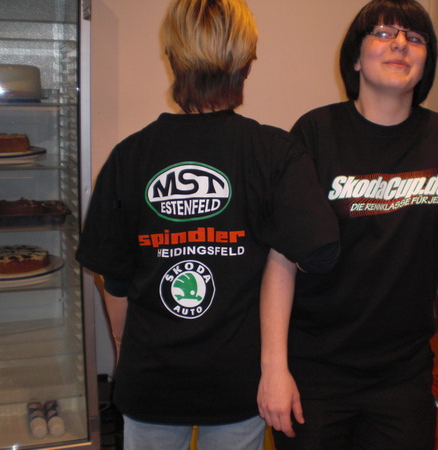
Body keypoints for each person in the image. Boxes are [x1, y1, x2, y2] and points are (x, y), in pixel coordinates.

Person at [76, 0, 339, 449]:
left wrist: (123, 345)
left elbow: (115, 280)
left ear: (172, 58)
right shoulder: (273, 153)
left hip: (153, 379)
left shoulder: (129, 156)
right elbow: (319, 251)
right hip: (237, 382)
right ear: (247, 64)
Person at [257, 0, 438, 448]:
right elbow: (281, 259)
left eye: (415, 37)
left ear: (427, 63)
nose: (400, 44)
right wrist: (274, 369)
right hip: (316, 372)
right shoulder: (314, 133)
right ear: (355, 58)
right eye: (384, 33)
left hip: (402, 375)